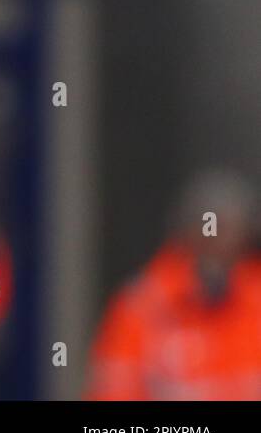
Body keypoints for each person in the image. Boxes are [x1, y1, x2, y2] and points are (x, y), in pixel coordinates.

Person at [87, 168, 261, 400]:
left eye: (230, 231)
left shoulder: (255, 299)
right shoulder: (142, 306)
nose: (219, 243)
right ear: (185, 232)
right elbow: (112, 393)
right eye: (210, 231)